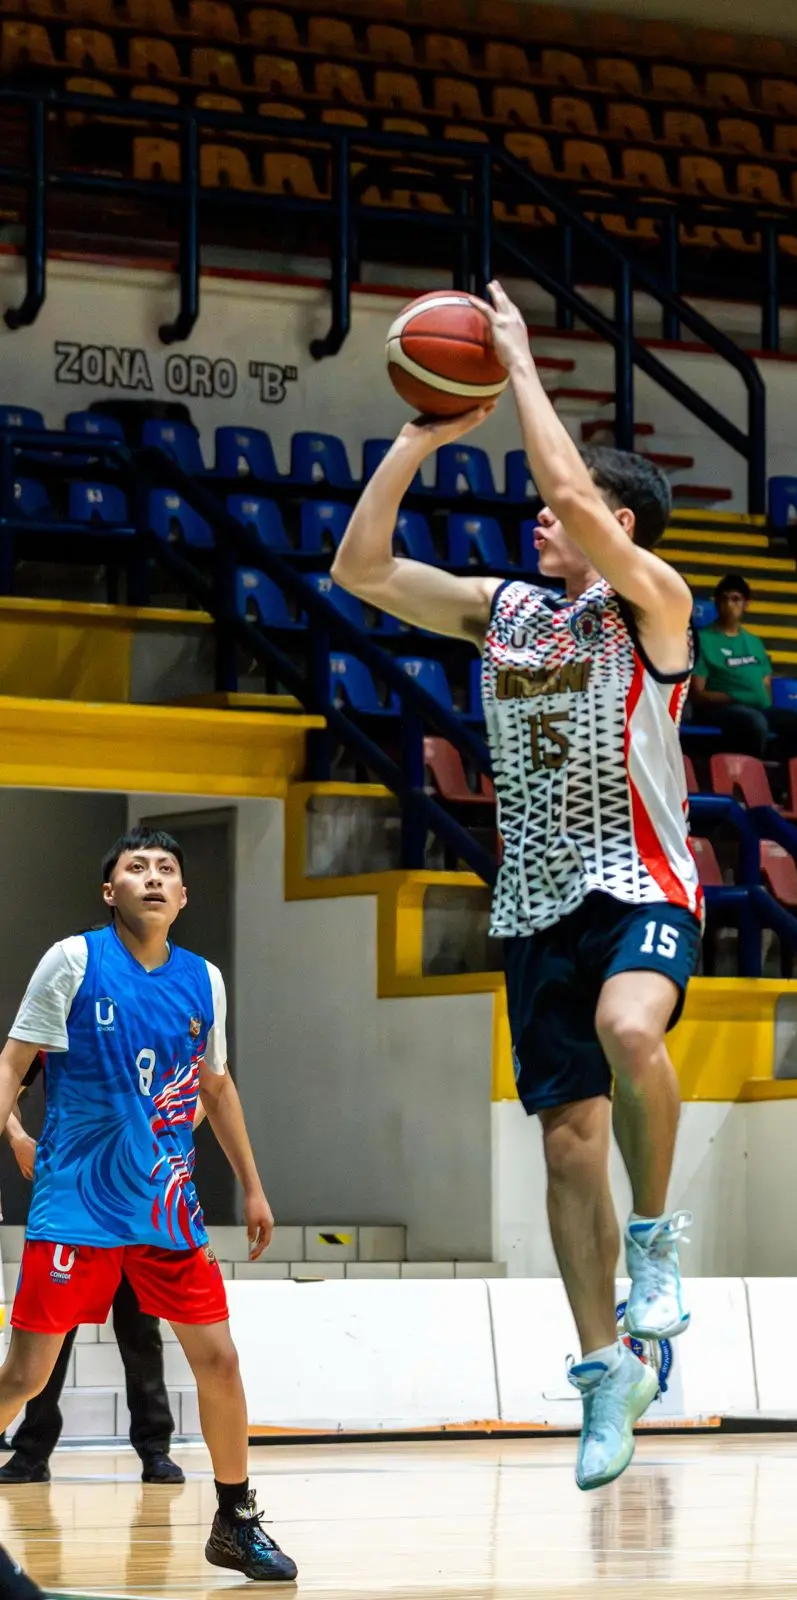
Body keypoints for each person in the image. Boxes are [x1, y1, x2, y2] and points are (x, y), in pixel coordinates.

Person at [333, 279, 702, 1493]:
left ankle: (655, 1241)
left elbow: (572, 504)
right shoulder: (507, 615)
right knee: (562, 1148)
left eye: (564, 518)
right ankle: (607, 1370)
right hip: (537, 901)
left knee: (626, 1024)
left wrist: (523, 368)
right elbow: (362, 566)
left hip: (641, 878)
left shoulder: (656, 605)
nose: (537, 526)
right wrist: (415, 436)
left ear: (620, 525)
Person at [0, 829, 296, 1582]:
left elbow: (214, 1087)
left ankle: (235, 1520)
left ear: (184, 896)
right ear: (111, 892)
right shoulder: (73, 961)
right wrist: (9, 1131)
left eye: (168, 869)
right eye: (137, 869)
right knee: (27, 1376)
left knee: (219, 1361)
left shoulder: (205, 979)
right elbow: (15, 1060)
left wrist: (253, 1185)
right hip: (79, 1206)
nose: (154, 878)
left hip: (167, 1209)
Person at [0, 1067, 182, 1486]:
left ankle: (156, 1451)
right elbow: (9, 1074)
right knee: (48, 1340)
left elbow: (209, 1088)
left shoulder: (147, 1033)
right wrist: (18, 1139)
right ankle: (31, 1451)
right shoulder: (61, 1021)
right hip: (72, 1208)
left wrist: (163, 1141)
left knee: (141, 1333)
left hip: (135, 1209)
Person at [692, 572, 797, 758]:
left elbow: (765, 685)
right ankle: (751, 776)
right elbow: (697, 695)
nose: (729, 605)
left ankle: (785, 775)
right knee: (755, 722)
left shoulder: (754, 642)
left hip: (757, 709)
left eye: (735, 599)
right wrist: (734, 696)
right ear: (716, 603)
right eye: (724, 599)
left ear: (746, 605)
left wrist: (757, 698)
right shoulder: (702, 640)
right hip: (719, 711)